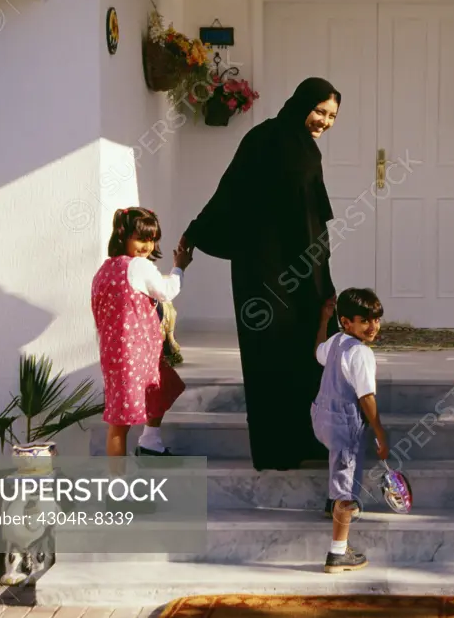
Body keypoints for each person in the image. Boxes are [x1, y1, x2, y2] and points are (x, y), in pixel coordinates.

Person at [179, 77, 341, 471]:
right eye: (320, 111)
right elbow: (230, 190)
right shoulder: (263, 139)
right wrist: (197, 230)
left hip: (306, 271)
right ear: (301, 103)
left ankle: (309, 440)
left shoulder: (310, 152)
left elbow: (315, 219)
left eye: (332, 116)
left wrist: (322, 274)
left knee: (308, 353)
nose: (324, 121)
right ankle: (274, 449)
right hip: (264, 273)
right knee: (270, 355)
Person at [92, 207, 193, 461]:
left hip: (117, 354)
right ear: (122, 237)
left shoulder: (103, 271)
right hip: (135, 354)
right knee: (120, 423)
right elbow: (167, 291)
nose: (147, 246)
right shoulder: (139, 266)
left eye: (151, 240)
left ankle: (151, 441)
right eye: (141, 238)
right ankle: (118, 485)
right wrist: (179, 267)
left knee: (160, 389)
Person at [311, 288, 389, 573]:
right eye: (365, 321)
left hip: (322, 419)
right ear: (347, 322)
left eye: (377, 320)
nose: (373, 327)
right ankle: (338, 552)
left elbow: (317, 352)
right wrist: (380, 432)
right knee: (347, 489)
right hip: (344, 426)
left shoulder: (335, 342)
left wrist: (323, 320)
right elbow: (366, 397)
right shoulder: (361, 353)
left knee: (339, 469)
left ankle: (332, 502)